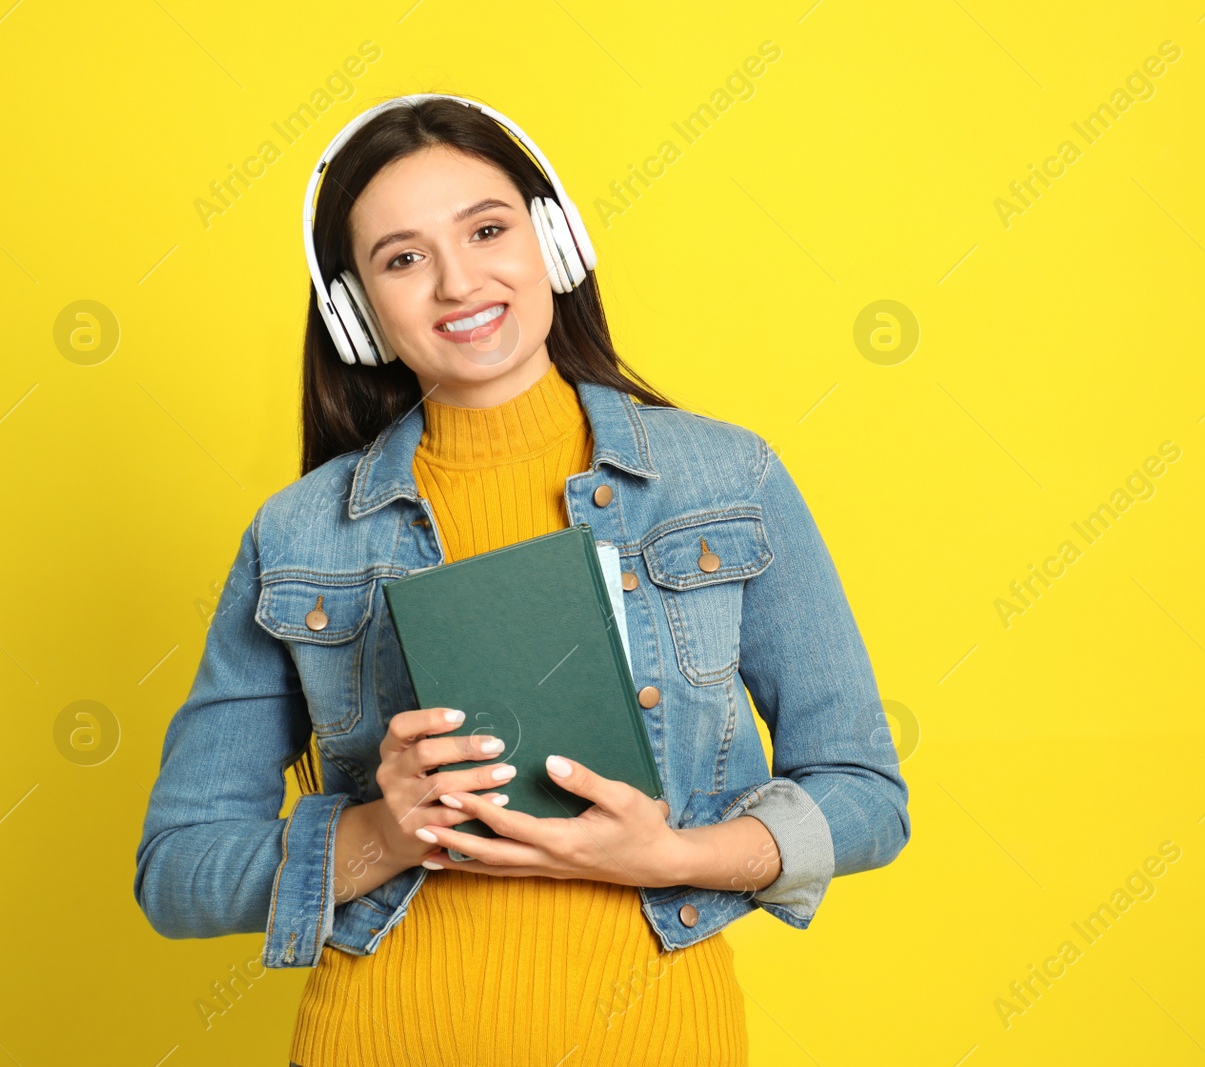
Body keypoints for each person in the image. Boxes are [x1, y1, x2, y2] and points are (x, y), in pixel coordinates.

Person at [133, 94, 910, 1067]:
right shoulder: (298, 533)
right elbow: (177, 869)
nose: (459, 281)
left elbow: (866, 793)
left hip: (660, 1037)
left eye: (488, 229)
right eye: (402, 258)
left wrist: (677, 855)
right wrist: (384, 830)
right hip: (378, 1036)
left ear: (554, 240)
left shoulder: (727, 479)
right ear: (356, 308)